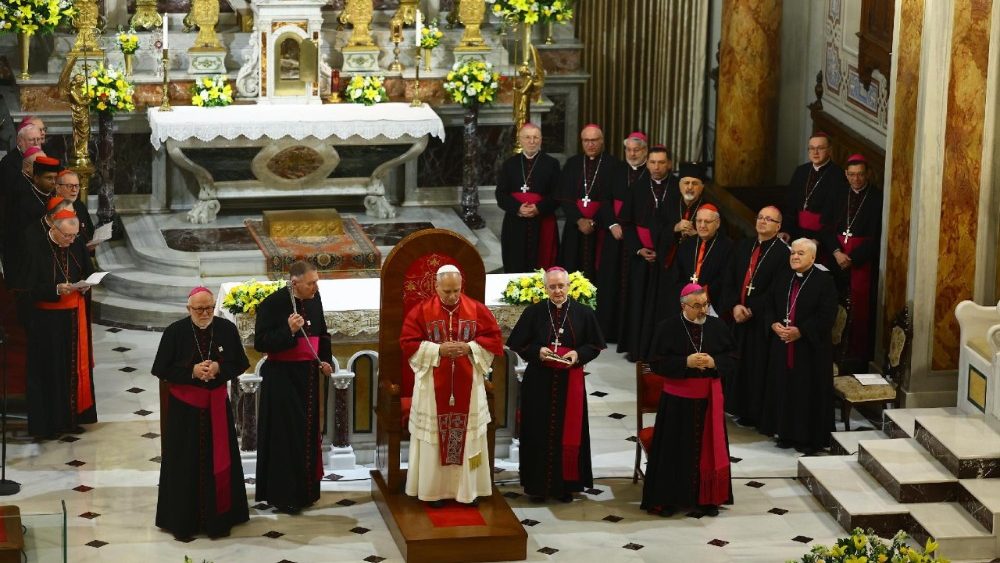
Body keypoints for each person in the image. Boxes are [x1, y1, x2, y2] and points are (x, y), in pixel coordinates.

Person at [152, 286, 250, 540]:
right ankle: (183, 521)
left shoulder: (226, 329)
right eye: (199, 309)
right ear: (188, 309)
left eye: (209, 308)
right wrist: (191, 372)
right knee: (184, 464)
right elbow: (161, 369)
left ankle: (221, 519)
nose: (205, 313)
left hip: (217, 406)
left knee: (221, 460)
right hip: (184, 412)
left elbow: (240, 363)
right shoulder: (175, 332)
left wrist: (218, 367)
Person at [401, 265, 504, 506]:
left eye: (456, 290)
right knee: (433, 440)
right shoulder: (422, 311)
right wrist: (438, 349)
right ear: (436, 287)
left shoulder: (476, 310)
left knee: (470, 439)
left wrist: (470, 348)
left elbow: (494, 339)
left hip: (469, 390)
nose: (452, 296)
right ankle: (433, 492)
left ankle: (468, 491)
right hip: (432, 391)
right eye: (446, 291)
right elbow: (408, 342)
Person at [507, 267, 605, 503]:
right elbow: (517, 343)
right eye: (552, 286)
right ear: (545, 288)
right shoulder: (534, 312)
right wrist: (537, 351)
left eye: (561, 286)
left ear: (569, 286)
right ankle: (536, 487)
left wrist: (576, 354)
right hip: (539, 382)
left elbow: (595, 345)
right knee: (536, 432)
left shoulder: (583, 313)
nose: (558, 291)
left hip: (570, 382)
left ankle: (565, 487)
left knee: (568, 433)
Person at [641, 284, 735, 517]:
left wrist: (714, 363)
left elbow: (733, 357)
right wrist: (686, 362)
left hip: (708, 401)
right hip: (677, 402)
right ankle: (669, 499)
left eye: (705, 304)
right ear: (683, 306)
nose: (703, 310)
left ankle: (708, 498)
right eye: (697, 306)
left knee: (708, 451)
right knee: (673, 451)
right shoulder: (667, 327)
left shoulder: (718, 326)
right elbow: (655, 362)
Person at [253, 261, 333, 514]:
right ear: (295, 282)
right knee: (285, 437)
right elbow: (261, 342)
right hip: (282, 380)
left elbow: (323, 333)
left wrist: (326, 360)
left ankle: (307, 492)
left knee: (307, 435)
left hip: (308, 377)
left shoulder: (315, 298)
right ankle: (284, 495)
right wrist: (288, 330)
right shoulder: (273, 303)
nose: (315, 286)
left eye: (316, 281)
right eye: (311, 283)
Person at [19, 210, 97, 438]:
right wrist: (54, 289)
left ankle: (72, 419)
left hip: (74, 320)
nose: (71, 241)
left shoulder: (77, 244)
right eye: (67, 236)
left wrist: (85, 285)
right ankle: (50, 424)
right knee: (51, 371)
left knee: (72, 370)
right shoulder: (35, 249)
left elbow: (88, 272)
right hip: (46, 323)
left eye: (74, 236)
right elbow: (28, 289)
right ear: (54, 229)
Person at [759, 239, 838, 454]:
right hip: (782, 345)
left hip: (810, 350)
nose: (794, 256)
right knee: (784, 388)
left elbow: (827, 315)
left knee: (806, 391)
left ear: (812, 258)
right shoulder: (783, 277)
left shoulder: (824, 281)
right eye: (793, 252)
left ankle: (807, 438)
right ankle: (784, 433)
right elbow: (769, 304)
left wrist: (800, 331)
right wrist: (774, 323)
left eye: (800, 253)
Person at [718, 206, 790, 426]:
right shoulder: (744, 245)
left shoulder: (783, 253)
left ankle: (753, 412)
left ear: (778, 226)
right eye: (760, 217)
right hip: (738, 316)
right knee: (737, 363)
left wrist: (752, 310)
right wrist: (734, 306)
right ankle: (734, 405)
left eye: (769, 219)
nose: (763, 222)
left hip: (761, 321)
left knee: (755, 366)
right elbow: (728, 277)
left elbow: (778, 290)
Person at [823, 154, 882, 370]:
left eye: (860, 174)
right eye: (852, 175)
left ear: (867, 174)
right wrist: (837, 252)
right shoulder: (838, 194)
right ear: (846, 175)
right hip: (836, 259)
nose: (856, 179)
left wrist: (853, 258)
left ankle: (854, 356)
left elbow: (877, 237)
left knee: (859, 310)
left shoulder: (876, 198)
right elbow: (826, 227)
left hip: (860, 263)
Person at [595, 131, 650, 344]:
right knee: (611, 282)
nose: (633, 154)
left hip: (637, 238)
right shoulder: (616, 170)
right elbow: (605, 201)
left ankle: (630, 335)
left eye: (637, 150)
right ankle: (609, 331)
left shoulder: (650, 173)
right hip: (615, 236)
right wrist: (612, 224)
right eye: (629, 149)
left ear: (645, 150)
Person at [621, 145, 673, 361]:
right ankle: (638, 348)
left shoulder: (677, 188)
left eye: (661, 162)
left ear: (669, 164)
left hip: (667, 259)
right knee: (639, 302)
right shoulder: (638, 187)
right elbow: (627, 224)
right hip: (641, 258)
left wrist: (663, 250)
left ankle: (659, 349)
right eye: (652, 162)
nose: (656, 167)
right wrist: (639, 249)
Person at [557, 124, 622, 281]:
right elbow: (564, 195)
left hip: (601, 228)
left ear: (602, 141)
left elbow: (613, 199)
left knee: (599, 271)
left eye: (594, 140)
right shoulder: (573, 163)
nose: (590, 144)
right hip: (575, 226)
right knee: (572, 266)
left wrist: (594, 222)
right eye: (586, 140)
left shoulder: (614, 165)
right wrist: (579, 220)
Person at [495, 123, 561, 272]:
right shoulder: (510, 164)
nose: (532, 141)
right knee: (515, 263)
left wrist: (538, 208)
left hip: (542, 221)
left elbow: (557, 194)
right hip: (515, 223)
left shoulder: (551, 164)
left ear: (541, 139)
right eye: (527, 137)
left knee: (542, 266)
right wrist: (517, 208)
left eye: (535, 137)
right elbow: (500, 194)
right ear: (520, 140)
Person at [780, 132, 849, 253]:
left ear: (830, 150)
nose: (815, 152)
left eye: (820, 148)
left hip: (822, 240)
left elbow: (836, 214)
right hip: (796, 234)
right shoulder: (801, 171)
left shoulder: (838, 175)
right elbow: (790, 205)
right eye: (812, 148)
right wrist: (786, 230)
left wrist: (818, 239)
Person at [666, 204, 732, 318]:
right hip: (685, 304)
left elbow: (726, 277)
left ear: (717, 223)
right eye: (699, 221)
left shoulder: (728, 247)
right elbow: (676, 275)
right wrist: (687, 295)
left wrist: (703, 295)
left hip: (711, 304)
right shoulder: (686, 245)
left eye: (707, 221)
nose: (702, 225)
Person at [661, 162, 712, 270]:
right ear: (680, 185)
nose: (690, 187)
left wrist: (696, 234)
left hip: (696, 265)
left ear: (702, 188)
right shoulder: (668, 205)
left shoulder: (711, 210)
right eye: (686, 183)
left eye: (695, 183)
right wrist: (675, 228)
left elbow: (719, 242)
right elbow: (656, 232)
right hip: (670, 265)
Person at [55, 170, 96, 244]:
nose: (74, 190)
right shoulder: (53, 209)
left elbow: (89, 229)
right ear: (58, 188)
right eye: (69, 186)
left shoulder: (79, 205)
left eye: (77, 186)